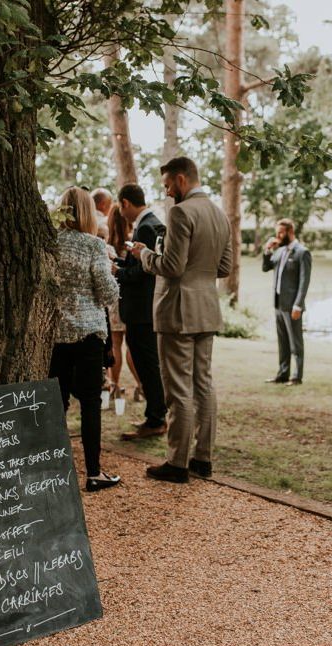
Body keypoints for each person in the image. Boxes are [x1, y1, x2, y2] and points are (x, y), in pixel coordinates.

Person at [130, 157, 232, 483]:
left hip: (178, 311)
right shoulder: (219, 214)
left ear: (181, 179)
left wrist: (144, 255)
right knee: (204, 385)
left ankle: (177, 463)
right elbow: (224, 267)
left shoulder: (181, 212)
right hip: (207, 308)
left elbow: (172, 267)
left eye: (168, 185)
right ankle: (203, 458)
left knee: (178, 389)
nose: (167, 191)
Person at [49, 186, 121, 492]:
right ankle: (93, 473)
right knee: (90, 403)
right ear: (88, 212)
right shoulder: (93, 245)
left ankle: (51, 472)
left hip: (55, 335)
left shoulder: (48, 243)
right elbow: (107, 293)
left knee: (57, 403)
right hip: (88, 335)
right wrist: (111, 270)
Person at [115, 184, 168, 439]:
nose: (121, 213)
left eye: (120, 207)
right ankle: (154, 415)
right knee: (147, 364)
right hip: (143, 309)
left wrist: (118, 273)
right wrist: (119, 263)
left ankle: (156, 418)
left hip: (141, 309)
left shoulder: (147, 226)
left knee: (147, 365)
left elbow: (145, 270)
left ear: (125, 203)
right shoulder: (149, 222)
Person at [262, 219, 312, 385]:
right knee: (282, 341)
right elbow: (266, 267)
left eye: (281, 232)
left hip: (292, 306)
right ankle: (283, 374)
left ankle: (297, 377)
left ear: (290, 231)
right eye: (277, 233)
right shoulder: (280, 251)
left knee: (295, 342)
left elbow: (304, 282)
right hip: (278, 303)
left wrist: (298, 304)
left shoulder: (302, 252)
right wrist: (268, 250)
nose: (277, 236)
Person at [106, 202, 143, 399]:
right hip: (128, 299)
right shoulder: (129, 244)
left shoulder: (107, 245)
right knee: (131, 344)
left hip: (113, 300)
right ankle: (140, 386)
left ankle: (114, 385)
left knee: (115, 344)